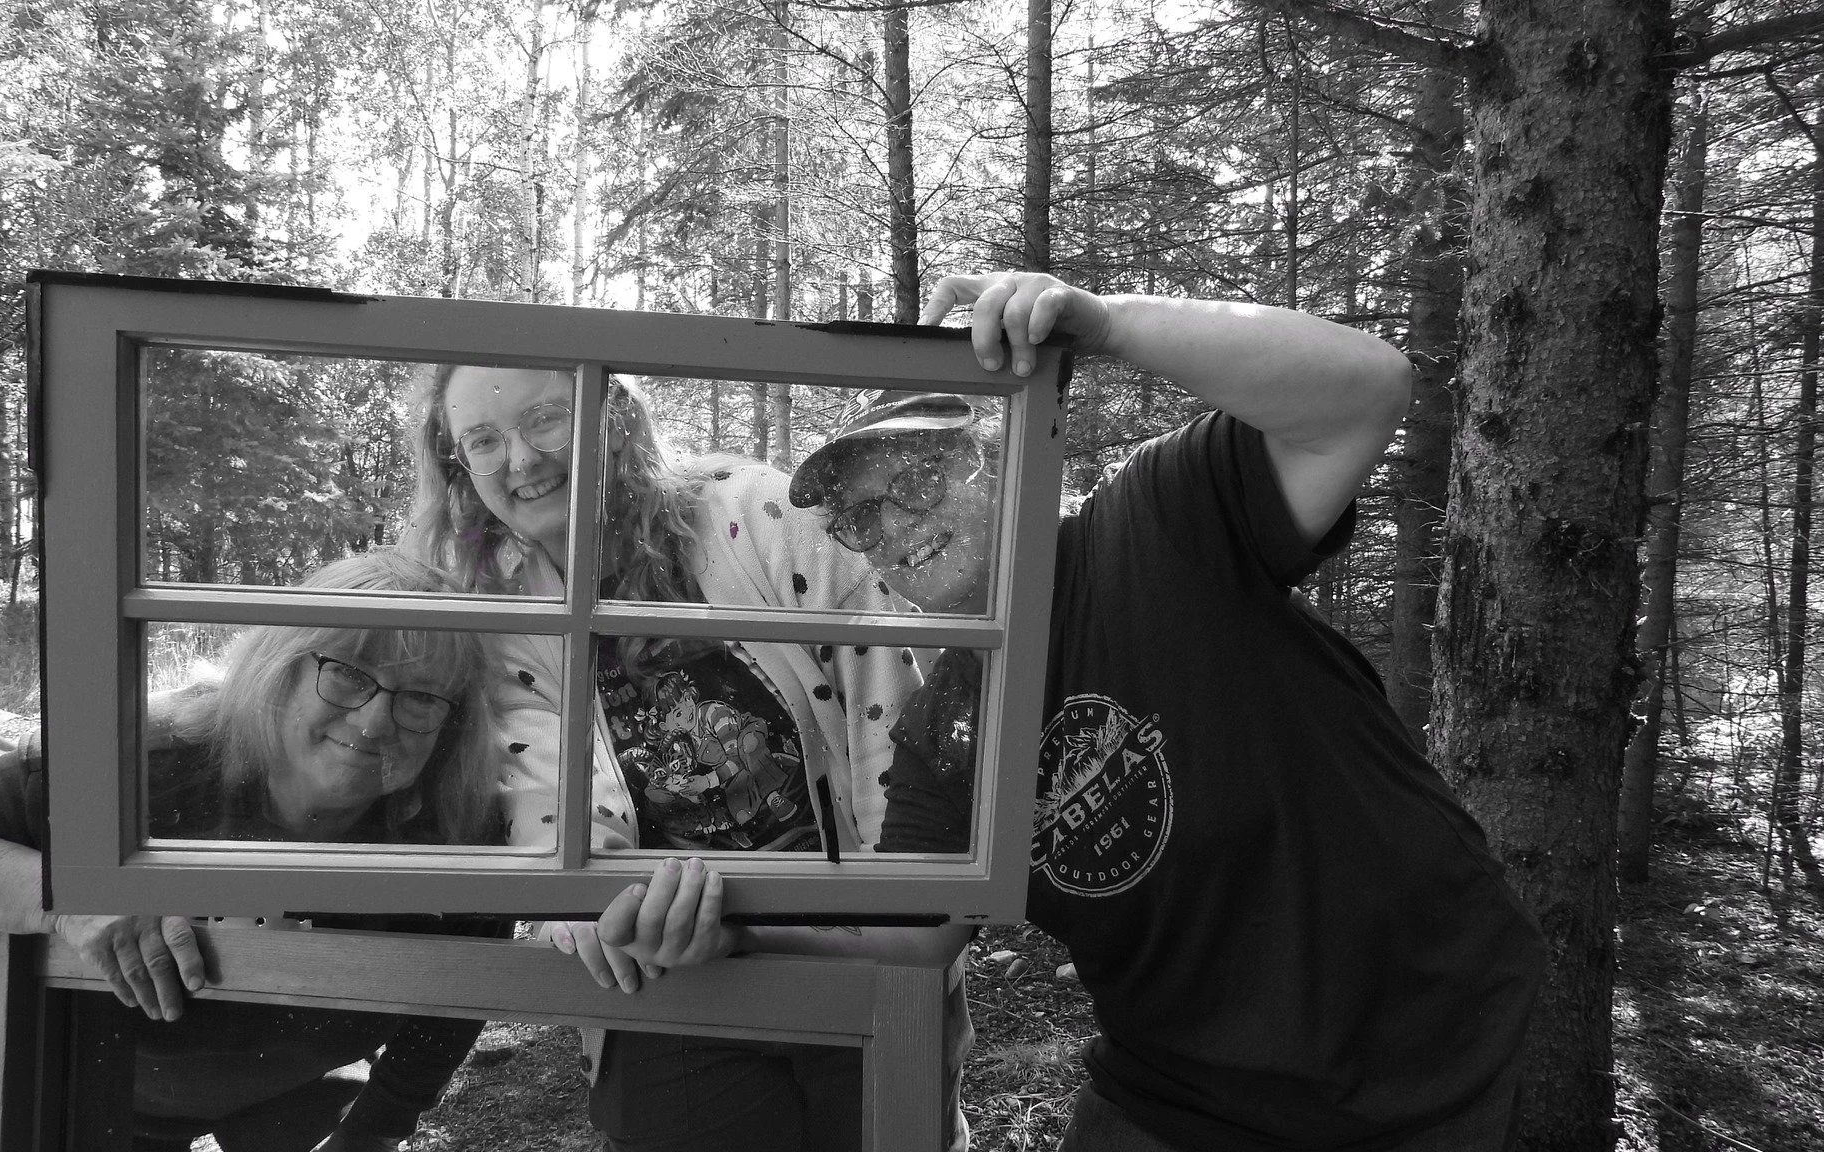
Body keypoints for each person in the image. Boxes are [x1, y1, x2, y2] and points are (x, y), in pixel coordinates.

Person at [619, 272, 1548, 1152]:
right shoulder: (943, 728)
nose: (895, 527)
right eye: (860, 519)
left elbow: (1368, 390)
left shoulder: (1156, 523)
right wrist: (736, 925)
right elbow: (914, 926)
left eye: (918, 480)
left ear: (995, 460)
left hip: (1428, 1035)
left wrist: (1106, 323)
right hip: (1185, 1086)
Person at [0, 550, 509, 1152]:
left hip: (306, 1087)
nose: (376, 718)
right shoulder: (135, 763)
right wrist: (74, 900)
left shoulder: (464, 830)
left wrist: (375, 1129)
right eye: (349, 673)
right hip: (110, 1081)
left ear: (454, 725)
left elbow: (457, 993)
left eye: (422, 697)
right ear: (280, 670)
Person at [402, 367, 931, 1151]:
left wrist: (904, 920)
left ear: (611, 414)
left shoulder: (752, 511)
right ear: (458, 466)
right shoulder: (506, 607)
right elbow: (543, 775)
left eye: (545, 418)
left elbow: (887, 699)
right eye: (483, 440)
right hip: (668, 958)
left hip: (851, 935)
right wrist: (587, 896)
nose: (520, 460)